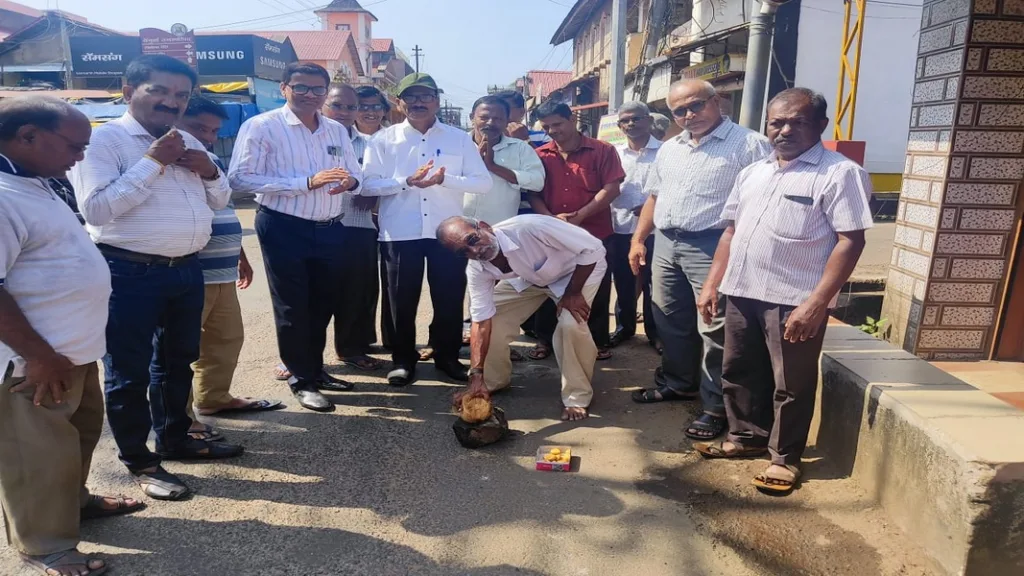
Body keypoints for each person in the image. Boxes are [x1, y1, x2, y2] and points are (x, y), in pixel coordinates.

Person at [72, 54, 243, 502]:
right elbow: (97, 210)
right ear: (129, 92)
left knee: (177, 362)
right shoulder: (103, 141)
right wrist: (153, 161)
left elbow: (221, 197)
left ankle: (176, 437)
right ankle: (139, 460)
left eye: (181, 95)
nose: (172, 102)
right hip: (128, 271)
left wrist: (208, 170)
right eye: (160, 91)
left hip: (186, 268)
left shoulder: (188, 139)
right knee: (127, 372)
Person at [693, 88, 873, 494]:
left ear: (820, 126)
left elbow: (851, 241)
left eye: (798, 121)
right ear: (767, 125)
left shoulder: (840, 173)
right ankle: (744, 437)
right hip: (742, 291)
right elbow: (731, 232)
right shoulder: (753, 172)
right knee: (738, 370)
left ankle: (785, 458)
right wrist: (711, 284)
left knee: (789, 382)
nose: (785, 130)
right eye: (777, 122)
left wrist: (816, 303)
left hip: (794, 298)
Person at [0, 96, 143, 576]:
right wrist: (38, 356)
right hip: (32, 363)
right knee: (36, 456)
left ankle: (74, 503)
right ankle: (45, 546)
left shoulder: (36, 183)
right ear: (27, 137)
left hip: (71, 352)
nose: (80, 157)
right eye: (73, 146)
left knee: (75, 441)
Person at [627, 80, 771, 442]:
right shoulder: (670, 149)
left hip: (714, 244)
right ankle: (679, 383)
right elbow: (655, 197)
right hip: (667, 243)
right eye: (679, 110)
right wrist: (638, 239)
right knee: (668, 319)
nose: (689, 115)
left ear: (717, 101)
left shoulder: (750, 145)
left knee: (714, 326)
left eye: (696, 106)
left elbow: (762, 204)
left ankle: (715, 405)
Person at [229, 62, 363, 413]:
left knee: (323, 304)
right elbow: (240, 179)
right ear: (283, 87)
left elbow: (355, 171)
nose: (310, 96)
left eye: (318, 90)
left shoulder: (335, 129)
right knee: (292, 306)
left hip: (331, 226)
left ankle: (315, 371)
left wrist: (351, 181)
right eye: (301, 88)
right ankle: (300, 379)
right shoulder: (261, 126)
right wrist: (304, 183)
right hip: (284, 225)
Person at [361, 73, 492, 386]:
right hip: (400, 231)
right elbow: (367, 186)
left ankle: (446, 358)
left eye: (425, 97)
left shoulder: (457, 138)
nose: (418, 103)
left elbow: (482, 182)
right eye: (411, 97)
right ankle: (403, 360)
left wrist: (444, 179)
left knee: (448, 298)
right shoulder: (384, 139)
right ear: (399, 101)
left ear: (437, 100)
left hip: (446, 232)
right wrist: (405, 181)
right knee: (399, 300)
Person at [171, 96, 282, 444]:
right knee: (180, 351)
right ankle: (179, 418)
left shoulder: (210, 159)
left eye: (213, 130)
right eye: (198, 127)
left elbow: (225, 209)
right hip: (191, 271)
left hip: (222, 270)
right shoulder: (169, 162)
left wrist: (239, 254)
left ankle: (214, 399)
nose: (205, 136)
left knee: (225, 340)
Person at [437, 215, 606, 422]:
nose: (474, 250)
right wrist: (476, 375)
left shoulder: (531, 227)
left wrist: (573, 292)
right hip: (530, 277)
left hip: (576, 274)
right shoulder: (477, 268)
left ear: (484, 225)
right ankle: (491, 381)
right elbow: (480, 321)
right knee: (494, 318)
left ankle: (576, 396)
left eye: (472, 240)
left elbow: (594, 248)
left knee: (571, 325)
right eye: (463, 252)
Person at [529, 100, 624, 362]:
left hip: (595, 232)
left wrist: (581, 216)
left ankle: (597, 340)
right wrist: (550, 220)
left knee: (598, 288)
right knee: (548, 284)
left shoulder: (602, 150)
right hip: (552, 234)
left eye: (557, 124)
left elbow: (612, 188)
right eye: (546, 127)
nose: (552, 131)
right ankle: (545, 339)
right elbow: (533, 194)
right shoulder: (540, 155)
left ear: (572, 120)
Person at [321, 83, 385, 371]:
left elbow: (380, 177)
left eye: (351, 107)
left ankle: (352, 348)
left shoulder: (369, 144)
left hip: (358, 225)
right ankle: (298, 356)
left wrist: (369, 192)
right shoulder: (310, 139)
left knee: (358, 291)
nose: (344, 113)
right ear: (324, 104)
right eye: (337, 106)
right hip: (317, 224)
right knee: (315, 294)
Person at [609, 101, 659, 350]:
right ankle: (624, 327)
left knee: (653, 284)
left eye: (636, 119)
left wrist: (652, 209)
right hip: (620, 227)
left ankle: (655, 333)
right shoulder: (613, 153)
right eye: (625, 120)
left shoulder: (666, 152)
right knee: (623, 282)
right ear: (619, 126)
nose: (631, 124)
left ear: (649, 120)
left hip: (655, 230)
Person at [463, 95, 545, 233]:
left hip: (501, 231)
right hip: (457, 231)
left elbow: (537, 183)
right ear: (472, 117)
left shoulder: (520, 148)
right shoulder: (456, 144)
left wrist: (494, 167)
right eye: (484, 117)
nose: (490, 123)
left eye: (498, 119)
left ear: (507, 121)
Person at [355, 84, 395, 352]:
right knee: (361, 285)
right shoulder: (340, 137)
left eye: (376, 106)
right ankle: (361, 341)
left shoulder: (396, 139)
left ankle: (394, 342)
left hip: (393, 220)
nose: (370, 112)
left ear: (385, 110)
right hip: (353, 221)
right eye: (363, 106)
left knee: (394, 285)